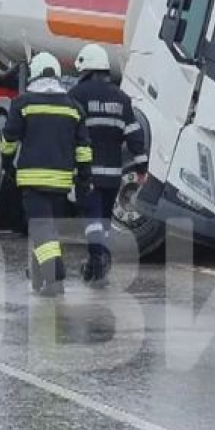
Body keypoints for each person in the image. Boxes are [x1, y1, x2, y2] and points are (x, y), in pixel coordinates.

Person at [2, 52, 92, 297]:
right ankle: (42, 275)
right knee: (49, 229)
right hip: (62, 182)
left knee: (42, 229)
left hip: (32, 179)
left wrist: (6, 164)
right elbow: (84, 149)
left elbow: (9, 139)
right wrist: (84, 178)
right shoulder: (74, 108)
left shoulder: (23, 103)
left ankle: (54, 274)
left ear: (35, 74)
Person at [67, 44, 146, 286]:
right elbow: (134, 134)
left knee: (91, 219)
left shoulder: (77, 94)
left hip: (87, 172)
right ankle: (99, 262)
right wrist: (141, 168)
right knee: (104, 221)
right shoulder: (121, 98)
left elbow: (67, 131)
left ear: (87, 68)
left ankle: (97, 260)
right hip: (113, 175)